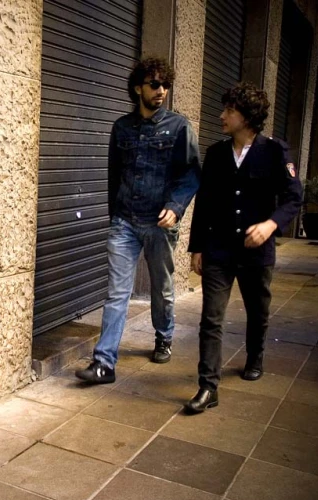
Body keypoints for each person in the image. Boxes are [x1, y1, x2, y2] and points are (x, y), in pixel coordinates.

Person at [75, 56, 201, 384]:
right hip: (125, 223)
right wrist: (115, 214)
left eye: (165, 85)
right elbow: (113, 174)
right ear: (138, 88)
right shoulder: (121, 128)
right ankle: (104, 363)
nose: (161, 91)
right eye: (155, 84)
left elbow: (191, 173)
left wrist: (175, 206)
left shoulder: (179, 127)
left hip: (160, 223)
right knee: (117, 292)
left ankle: (164, 335)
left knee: (162, 287)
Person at [185, 82, 302, 413]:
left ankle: (255, 355)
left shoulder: (275, 152)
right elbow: (204, 204)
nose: (222, 116)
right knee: (211, 318)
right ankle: (208, 386)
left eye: (229, 111)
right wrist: (197, 248)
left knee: (258, 311)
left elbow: (294, 197)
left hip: (256, 253)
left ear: (247, 117)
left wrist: (269, 225)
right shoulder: (216, 153)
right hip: (219, 249)